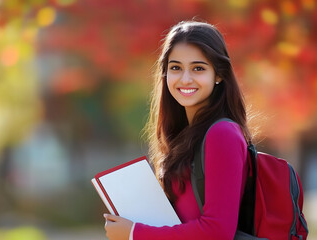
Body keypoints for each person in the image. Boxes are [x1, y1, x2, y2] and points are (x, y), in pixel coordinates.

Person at [103, 20, 254, 239]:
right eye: (175, 68)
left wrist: (135, 233)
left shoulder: (222, 135)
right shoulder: (183, 136)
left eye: (198, 68)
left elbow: (218, 231)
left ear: (219, 74)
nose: (185, 79)